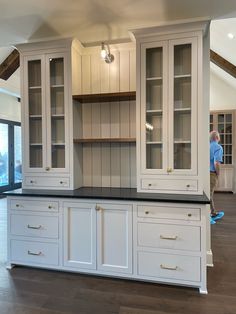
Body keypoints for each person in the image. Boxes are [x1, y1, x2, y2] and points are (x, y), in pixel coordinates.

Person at [209, 130, 224, 224]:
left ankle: (213, 213)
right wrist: (218, 173)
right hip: (211, 173)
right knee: (209, 194)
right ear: (217, 138)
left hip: (203, 173)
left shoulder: (206, 146)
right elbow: (216, 163)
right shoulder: (218, 147)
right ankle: (209, 216)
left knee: (206, 193)